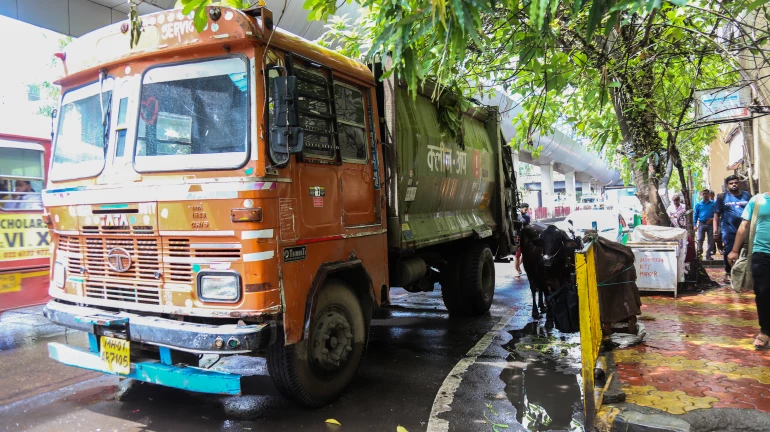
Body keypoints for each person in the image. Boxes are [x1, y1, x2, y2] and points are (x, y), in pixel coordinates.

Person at [727, 192, 770, 350]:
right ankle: (765, 332)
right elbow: (744, 226)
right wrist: (734, 250)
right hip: (761, 253)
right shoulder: (758, 200)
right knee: (763, 291)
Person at [715, 175, 751, 283]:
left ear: (739, 183)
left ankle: (743, 273)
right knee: (728, 252)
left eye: (736, 182)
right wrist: (715, 231)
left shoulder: (747, 196)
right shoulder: (722, 197)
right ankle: (729, 272)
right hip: (728, 230)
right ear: (727, 185)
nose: (734, 184)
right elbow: (716, 214)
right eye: (731, 183)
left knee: (744, 252)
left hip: (745, 230)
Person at [694, 188, 716, 260]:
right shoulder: (698, 204)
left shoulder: (713, 203)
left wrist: (713, 219)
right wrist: (695, 225)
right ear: (701, 195)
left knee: (711, 240)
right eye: (703, 194)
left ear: (709, 194)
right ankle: (699, 253)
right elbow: (695, 215)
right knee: (700, 239)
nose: (705, 195)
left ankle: (708, 254)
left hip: (711, 224)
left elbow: (717, 214)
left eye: (706, 193)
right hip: (702, 224)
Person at [515, 203, 531, 277]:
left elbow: (528, 226)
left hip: (525, 237)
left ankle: (519, 266)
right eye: (525, 209)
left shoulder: (527, 217)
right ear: (521, 209)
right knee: (518, 255)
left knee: (525, 254)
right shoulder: (517, 216)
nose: (526, 211)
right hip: (518, 237)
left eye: (527, 209)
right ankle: (517, 269)